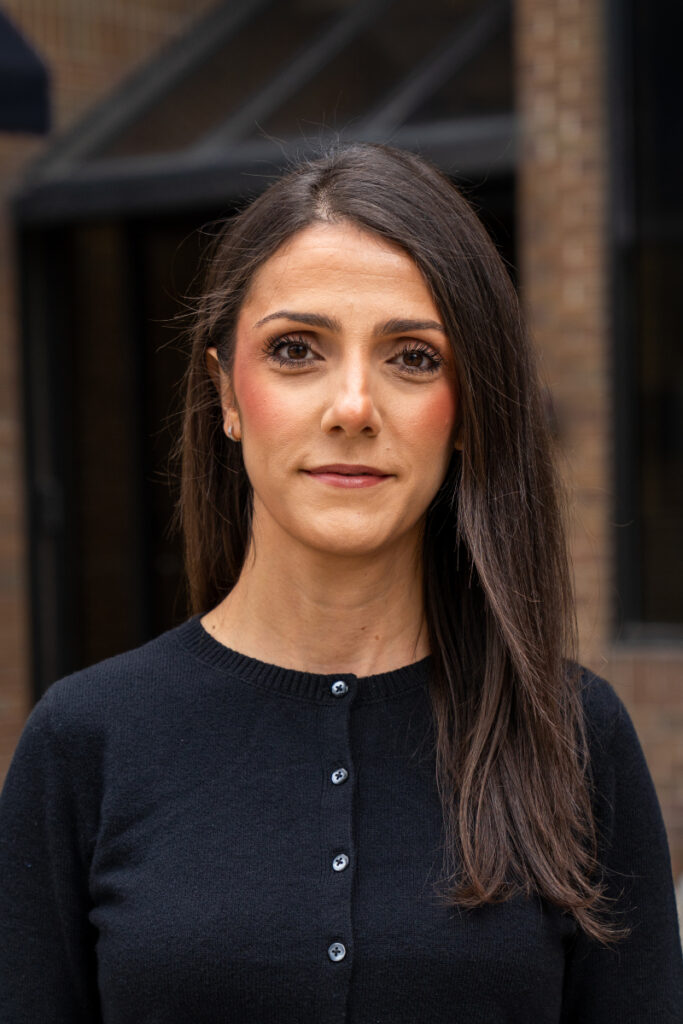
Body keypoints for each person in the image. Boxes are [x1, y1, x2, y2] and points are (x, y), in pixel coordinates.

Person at [0, 143, 681, 1023]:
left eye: (413, 357)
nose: (353, 406)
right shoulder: (85, 741)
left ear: (468, 408)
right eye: (296, 350)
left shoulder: (572, 736)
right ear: (226, 395)